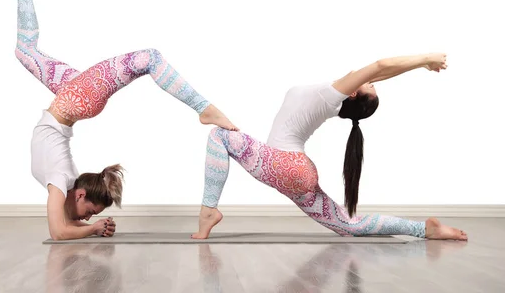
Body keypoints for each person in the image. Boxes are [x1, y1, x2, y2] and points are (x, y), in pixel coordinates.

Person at [12, 0, 238, 241]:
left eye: (90, 212)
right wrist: (93, 227)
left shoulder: (59, 181)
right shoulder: (64, 183)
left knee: (26, 50)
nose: (87, 217)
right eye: (91, 213)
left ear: (80, 194)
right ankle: (204, 108)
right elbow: (64, 227)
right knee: (147, 58)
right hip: (73, 100)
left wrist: (92, 227)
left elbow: (59, 230)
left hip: (72, 99)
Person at [191, 53, 469, 241]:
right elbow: (382, 74)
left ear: (353, 92)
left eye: (368, 84)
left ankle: (208, 211)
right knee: (350, 225)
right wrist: (416, 67)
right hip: (299, 172)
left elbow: (381, 66)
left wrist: (426, 59)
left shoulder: (330, 95)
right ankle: (423, 229)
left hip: (283, 163)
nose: (370, 81)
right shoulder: (334, 95)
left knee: (220, 135)